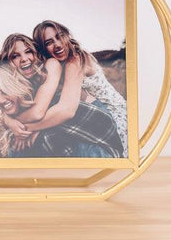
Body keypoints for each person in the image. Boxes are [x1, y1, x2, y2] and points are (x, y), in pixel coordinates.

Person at [0, 34, 123, 158]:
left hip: (88, 116)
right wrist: (9, 120)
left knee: (23, 144)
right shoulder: (16, 84)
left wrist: (22, 129)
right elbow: (8, 108)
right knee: (23, 147)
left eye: (28, 51)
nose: (24, 59)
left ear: (35, 52)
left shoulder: (50, 65)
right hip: (62, 123)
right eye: (15, 56)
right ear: (7, 62)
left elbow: (38, 113)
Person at [32, 20, 128, 157]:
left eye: (60, 36)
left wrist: (29, 129)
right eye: (49, 42)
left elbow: (66, 109)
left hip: (114, 116)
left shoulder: (75, 59)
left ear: (67, 35)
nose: (57, 44)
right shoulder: (56, 67)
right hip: (94, 115)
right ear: (43, 49)